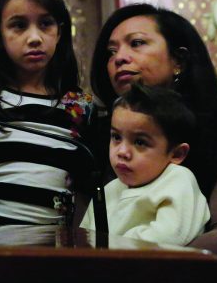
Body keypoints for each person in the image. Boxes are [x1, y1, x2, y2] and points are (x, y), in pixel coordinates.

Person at [90, 3, 217, 283]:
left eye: (136, 43)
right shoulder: (97, 137)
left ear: (178, 60)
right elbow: (85, 230)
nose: (119, 58)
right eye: (111, 52)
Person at [0, 0, 94, 226]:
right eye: (19, 25)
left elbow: (83, 189)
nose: (35, 38)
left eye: (46, 24)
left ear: (60, 32)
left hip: (51, 248)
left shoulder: (79, 104)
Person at [80, 83, 209, 244]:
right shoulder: (109, 190)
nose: (122, 151)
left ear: (176, 154)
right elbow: (85, 239)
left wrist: (108, 246)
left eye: (140, 142)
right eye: (116, 137)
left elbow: (170, 236)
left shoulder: (178, 179)